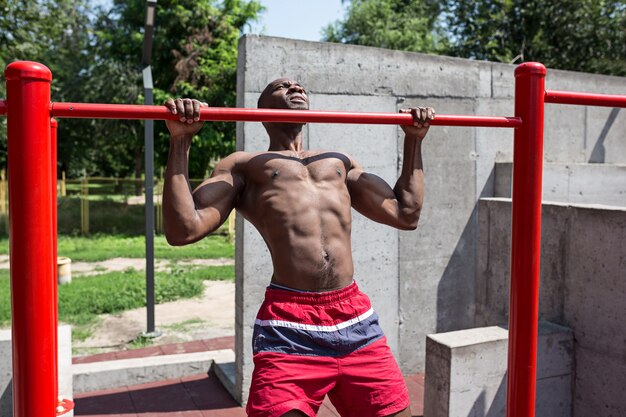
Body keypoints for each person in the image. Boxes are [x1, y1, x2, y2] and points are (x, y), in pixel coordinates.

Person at [163, 78, 435, 417]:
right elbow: (183, 230)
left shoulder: (339, 162)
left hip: (354, 316)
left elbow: (405, 213)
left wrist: (414, 141)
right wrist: (181, 141)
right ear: (261, 109)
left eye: (301, 86)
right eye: (283, 86)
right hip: (290, 325)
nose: (297, 88)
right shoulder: (244, 165)